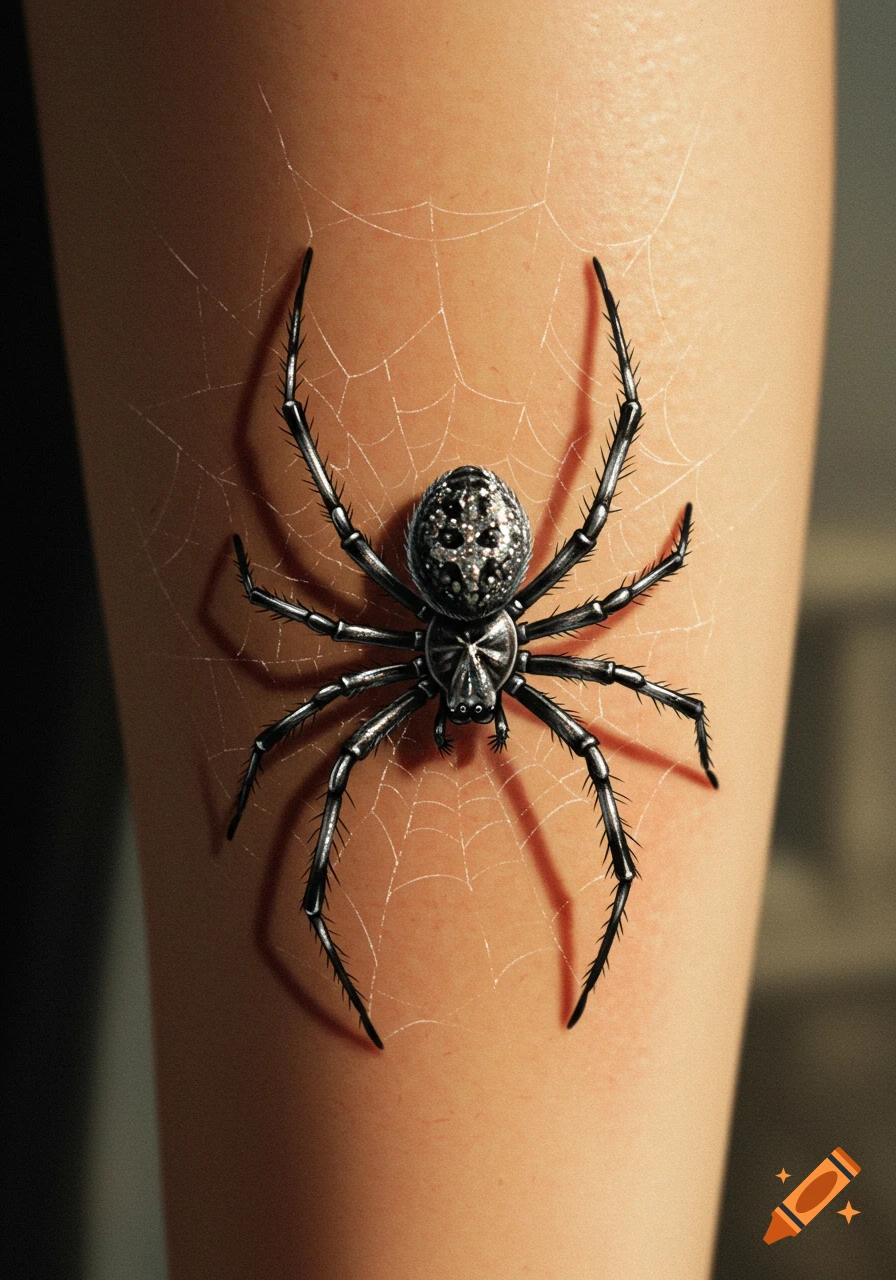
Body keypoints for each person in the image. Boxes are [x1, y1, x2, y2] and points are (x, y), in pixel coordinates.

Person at [25, 2, 833, 1274]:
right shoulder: (487, 646)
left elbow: (596, 548)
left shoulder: (433, 651)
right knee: (359, 730)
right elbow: (300, 608)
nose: (464, 714)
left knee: (362, 739)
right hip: (480, 565)